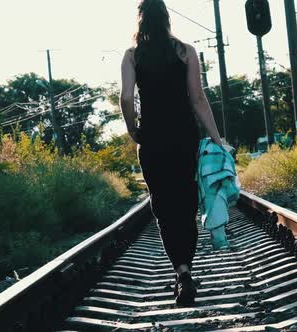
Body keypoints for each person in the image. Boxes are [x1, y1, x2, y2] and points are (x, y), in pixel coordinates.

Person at [119, 0, 224, 306]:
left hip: (151, 139)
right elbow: (198, 99)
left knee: (163, 209)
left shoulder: (132, 56)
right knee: (186, 204)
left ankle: (179, 273)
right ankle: (188, 270)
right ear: (166, 19)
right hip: (184, 137)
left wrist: (132, 129)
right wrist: (215, 138)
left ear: (140, 20)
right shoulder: (185, 51)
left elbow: (127, 98)